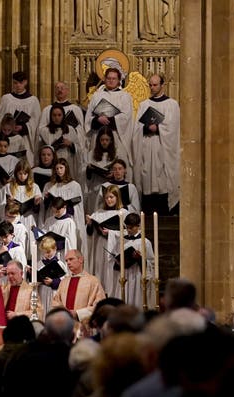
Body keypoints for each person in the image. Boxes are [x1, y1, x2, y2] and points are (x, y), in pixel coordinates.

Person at [132, 74, 181, 216]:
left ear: (162, 85)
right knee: (147, 175)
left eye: (155, 85)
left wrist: (159, 128)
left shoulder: (172, 104)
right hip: (147, 146)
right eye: (151, 85)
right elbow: (136, 129)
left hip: (163, 148)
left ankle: (165, 210)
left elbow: (174, 128)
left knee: (163, 179)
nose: (152, 88)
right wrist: (146, 128)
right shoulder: (144, 104)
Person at [84, 67, 134, 177]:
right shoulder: (97, 95)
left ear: (118, 80)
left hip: (117, 135)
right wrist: (97, 119)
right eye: (108, 78)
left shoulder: (125, 96)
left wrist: (109, 120)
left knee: (116, 165)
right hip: (98, 135)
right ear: (105, 79)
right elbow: (88, 117)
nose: (111, 80)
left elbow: (127, 117)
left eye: (114, 78)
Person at [86, 185, 129, 298]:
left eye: (111, 197)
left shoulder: (123, 213)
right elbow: (90, 234)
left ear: (117, 197)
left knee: (111, 272)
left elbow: (128, 233)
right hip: (100, 246)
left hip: (115, 246)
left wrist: (111, 232)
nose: (109, 200)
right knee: (101, 270)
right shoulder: (98, 213)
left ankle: (113, 295)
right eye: (107, 198)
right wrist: (90, 224)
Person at [107, 212, 155, 309]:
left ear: (138, 226)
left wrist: (140, 258)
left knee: (136, 301)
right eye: (127, 227)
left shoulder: (145, 242)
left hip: (137, 275)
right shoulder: (121, 240)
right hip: (124, 275)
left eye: (131, 228)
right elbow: (113, 257)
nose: (128, 230)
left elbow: (151, 262)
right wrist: (117, 261)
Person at [0, 71, 41, 166]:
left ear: (26, 82)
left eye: (21, 83)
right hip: (7, 141)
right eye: (15, 83)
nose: (18, 85)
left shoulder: (33, 100)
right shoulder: (6, 99)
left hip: (25, 141)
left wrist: (24, 127)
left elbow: (37, 122)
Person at [42, 159, 87, 256]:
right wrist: (46, 199)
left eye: (61, 168)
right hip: (53, 220)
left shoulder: (75, 186)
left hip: (68, 219)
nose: (59, 171)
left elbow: (78, 208)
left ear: (66, 169)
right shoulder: (50, 185)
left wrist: (64, 205)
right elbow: (44, 207)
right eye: (57, 168)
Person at [52, 249, 106, 322]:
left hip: (84, 324)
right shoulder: (64, 282)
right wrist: (64, 312)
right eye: (66, 260)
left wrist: (78, 313)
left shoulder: (93, 281)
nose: (68, 263)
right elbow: (56, 302)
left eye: (71, 259)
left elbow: (100, 305)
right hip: (65, 323)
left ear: (80, 260)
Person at [0, 259, 40, 326]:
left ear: (21, 273)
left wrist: (17, 314)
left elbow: (38, 313)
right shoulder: (4, 289)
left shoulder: (30, 290)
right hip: (4, 330)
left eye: (13, 273)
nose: (10, 276)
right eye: (8, 274)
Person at [38, 104, 82, 182]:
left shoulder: (70, 129)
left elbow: (79, 149)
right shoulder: (45, 131)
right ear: (50, 116)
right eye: (54, 115)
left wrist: (71, 145)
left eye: (59, 115)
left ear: (63, 116)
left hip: (68, 161)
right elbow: (40, 149)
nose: (57, 118)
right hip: (52, 165)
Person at [85, 125, 118, 213]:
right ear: (98, 140)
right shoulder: (92, 153)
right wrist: (89, 170)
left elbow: (120, 170)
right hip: (95, 188)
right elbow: (86, 175)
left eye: (107, 140)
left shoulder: (116, 153)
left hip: (110, 188)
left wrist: (113, 174)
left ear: (111, 140)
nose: (104, 142)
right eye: (102, 140)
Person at [8, 158, 43, 235]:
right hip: (15, 218)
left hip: (29, 218)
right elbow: (4, 204)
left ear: (28, 174)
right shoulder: (10, 186)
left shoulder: (34, 187)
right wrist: (10, 202)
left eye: (25, 174)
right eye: (20, 173)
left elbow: (38, 209)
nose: (22, 176)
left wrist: (36, 203)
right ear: (16, 173)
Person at [36, 236, 68, 318]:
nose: (47, 254)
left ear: (55, 249)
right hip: (42, 292)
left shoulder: (60, 264)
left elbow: (65, 280)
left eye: (49, 251)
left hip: (54, 292)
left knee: (52, 313)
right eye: (44, 252)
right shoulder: (39, 263)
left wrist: (53, 282)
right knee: (43, 313)